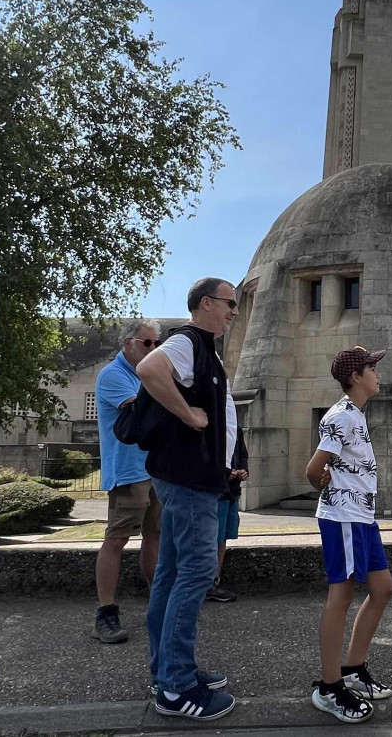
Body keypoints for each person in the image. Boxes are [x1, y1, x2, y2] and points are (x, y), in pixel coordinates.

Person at [137, 278, 240, 721]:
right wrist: (188, 414)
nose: (234, 311)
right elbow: (149, 370)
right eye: (229, 303)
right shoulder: (188, 341)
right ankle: (176, 687)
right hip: (189, 480)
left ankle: (169, 671)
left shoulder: (206, 349)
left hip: (194, 477)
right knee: (197, 572)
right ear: (206, 304)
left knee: (172, 572)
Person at [304, 346, 392, 724]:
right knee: (341, 596)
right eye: (371, 368)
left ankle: (354, 668)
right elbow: (313, 468)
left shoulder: (355, 415)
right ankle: (329, 687)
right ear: (356, 377)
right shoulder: (341, 415)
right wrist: (322, 482)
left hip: (361, 517)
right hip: (343, 517)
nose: (377, 373)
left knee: (383, 588)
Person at [92, 321, 161, 644]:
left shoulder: (144, 373)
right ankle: (105, 613)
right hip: (128, 471)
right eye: (147, 343)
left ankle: (158, 602)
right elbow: (143, 412)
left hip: (154, 469)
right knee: (117, 539)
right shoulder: (113, 375)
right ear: (128, 343)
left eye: (155, 343)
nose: (152, 349)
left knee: (155, 536)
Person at [209, 429, 248, 603]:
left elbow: (242, 454)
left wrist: (243, 470)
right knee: (212, 539)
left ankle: (215, 580)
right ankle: (207, 583)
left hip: (232, 491)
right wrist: (225, 471)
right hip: (217, 492)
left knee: (223, 539)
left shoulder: (235, 428)